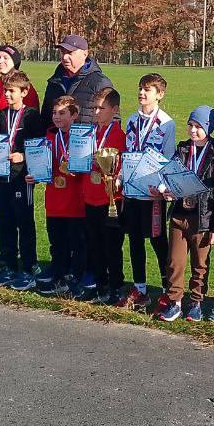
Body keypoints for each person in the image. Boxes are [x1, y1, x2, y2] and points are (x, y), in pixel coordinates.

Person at [156, 106, 214, 322]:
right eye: (190, 125)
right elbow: (170, 175)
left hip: (203, 218)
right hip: (179, 215)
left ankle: (196, 302)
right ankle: (175, 302)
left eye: (198, 126)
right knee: (174, 262)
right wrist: (166, 190)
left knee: (200, 264)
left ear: (209, 128)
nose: (193, 130)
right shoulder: (182, 149)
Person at [116, 73, 177, 310]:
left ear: (160, 95)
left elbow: (167, 157)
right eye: (140, 88)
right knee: (134, 239)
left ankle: (167, 290)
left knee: (158, 240)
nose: (142, 93)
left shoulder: (166, 123)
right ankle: (140, 289)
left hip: (152, 193)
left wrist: (161, 187)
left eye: (148, 89)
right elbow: (127, 152)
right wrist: (121, 177)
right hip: (132, 190)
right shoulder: (132, 119)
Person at [0, 69, 45, 289]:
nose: (7, 94)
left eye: (11, 91)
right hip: (1, 176)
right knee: (4, 220)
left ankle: (29, 265)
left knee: (24, 221)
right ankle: (8, 262)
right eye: (5, 91)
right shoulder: (0, 116)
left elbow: (40, 146)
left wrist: (23, 155)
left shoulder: (32, 116)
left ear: (24, 92)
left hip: (22, 178)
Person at [36, 95, 87, 297]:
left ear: (74, 115)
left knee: (77, 243)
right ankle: (58, 274)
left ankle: (75, 277)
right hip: (54, 200)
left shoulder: (82, 138)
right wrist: (35, 173)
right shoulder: (49, 136)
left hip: (75, 201)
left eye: (62, 113)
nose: (56, 117)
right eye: (54, 113)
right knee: (57, 241)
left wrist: (78, 169)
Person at [82, 87, 127, 303]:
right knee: (94, 244)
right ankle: (100, 285)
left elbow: (121, 168)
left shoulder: (119, 136)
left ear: (114, 110)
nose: (96, 112)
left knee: (112, 246)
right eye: (94, 108)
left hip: (110, 200)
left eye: (102, 108)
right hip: (90, 196)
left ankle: (116, 286)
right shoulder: (89, 134)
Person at [40, 34, 113, 128]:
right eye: (62, 52)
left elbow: (112, 119)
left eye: (70, 53)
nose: (64, 57)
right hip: (56, 137)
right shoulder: (54, 81)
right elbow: (45, 117)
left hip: (86, 137)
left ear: (85, 54)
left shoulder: (100, 82)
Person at [0, 44, 39, 117]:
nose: (0, 61)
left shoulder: (24, 88)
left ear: (15, 62)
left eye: (5, 58)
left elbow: (32, 116)